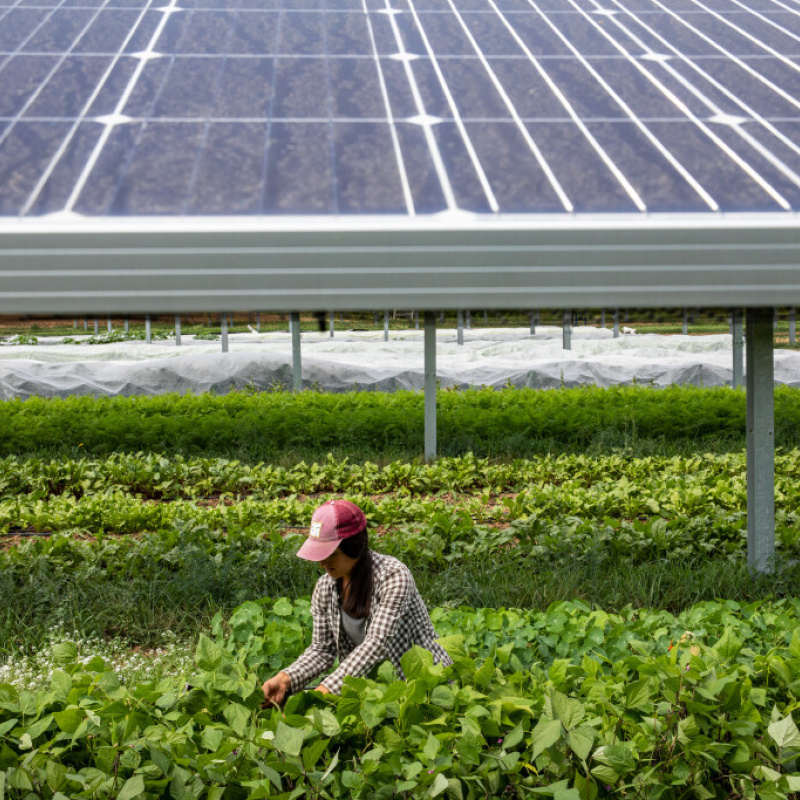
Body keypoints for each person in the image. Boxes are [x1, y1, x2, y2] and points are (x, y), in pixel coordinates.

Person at [262, 499, 452, 701]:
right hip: (370, 690)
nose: (323, 562)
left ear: (355, 546)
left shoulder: (394, 577)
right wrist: (285, 679)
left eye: (331, 554)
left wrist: (324, 691)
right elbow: (322, 650)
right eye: (319, 554)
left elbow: (377, 643)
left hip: (420, 687)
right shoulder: (325, 588)